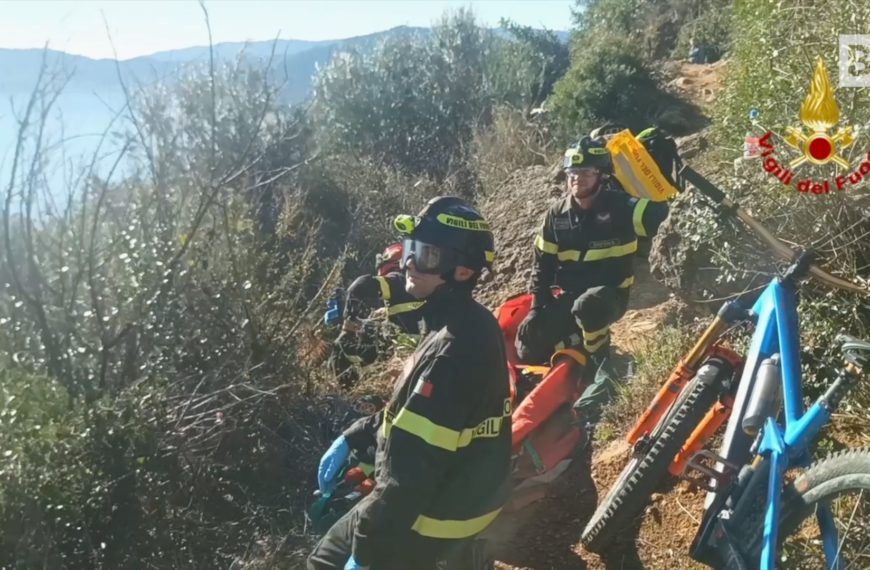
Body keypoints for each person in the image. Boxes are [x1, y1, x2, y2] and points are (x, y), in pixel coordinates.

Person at [308, 197, 510, 570]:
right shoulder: (458, 322)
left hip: (436, 518)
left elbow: (408, 481)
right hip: (439, 494)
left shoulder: (453, 350)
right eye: (411, 251)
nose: (410, 264)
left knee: (326, 563)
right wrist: (358, 435)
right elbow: (410, 418)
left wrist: (368, 554)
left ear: (463, 271)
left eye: (427, 255)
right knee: (324, 558)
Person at [515, 136, 669, 426]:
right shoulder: (556, 215)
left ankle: (605, 366)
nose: (577, 180)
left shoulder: (621, 206)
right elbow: (542, 266)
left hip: (609, 295)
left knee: (588, 307)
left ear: (602, 175)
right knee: (528, 343)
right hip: (571, 296)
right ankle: (581, 341)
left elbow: (662, 216)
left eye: (585, 173)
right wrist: (537, 308)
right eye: (572, 174)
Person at [327, 242, 427, 389]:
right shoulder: (425, 285)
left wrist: (349, 322)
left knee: (340, 346)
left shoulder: (397, 279)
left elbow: (361, 285)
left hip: (398, 347)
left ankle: (348, 394)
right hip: (420, 345)